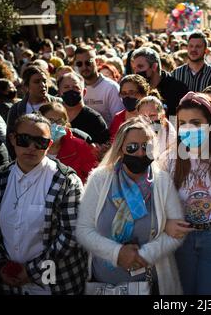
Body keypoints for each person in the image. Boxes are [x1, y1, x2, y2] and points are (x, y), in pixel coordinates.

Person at [0, 113, 87, 295]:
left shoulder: (66, 181)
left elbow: (71, 235)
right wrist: (1, 266)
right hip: (9, 285)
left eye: (40, 142)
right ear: (12, 139)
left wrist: (31, 271)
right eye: (24, 140)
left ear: (49, 145)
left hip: (56, 284)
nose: (31, 147)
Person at [76, 116, 184, 295]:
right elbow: (83, 229)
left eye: (146, 147)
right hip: (103, 283)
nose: (140, 153)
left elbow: (176, 233)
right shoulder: (99, 179)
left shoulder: (162, 181)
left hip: (149, 284)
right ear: (120, 149)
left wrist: (143, 255)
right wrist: (117, 253)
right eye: (132, 147)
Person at [159, 92, 211, 295]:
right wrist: (166, 222)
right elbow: (157, 200)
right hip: (180, 239)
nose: (189, 129)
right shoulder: (169, 158)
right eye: (183, 123)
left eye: (196, 122)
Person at [6, 65, 63, 153]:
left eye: (44, 81)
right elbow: (10, 140)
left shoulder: (59, 104)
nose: (43, 85)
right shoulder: (17, 109)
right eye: (37, 82)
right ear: (26, 86)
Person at [39, 102, 98, 183]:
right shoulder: (31, 146)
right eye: (50, 120)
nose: (55, 125)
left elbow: (93, 177)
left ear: (66, 123)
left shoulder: (80, 146)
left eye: (60, 121)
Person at [131, 47, 189, 117]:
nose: (136, 72)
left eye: (140, 66)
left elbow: (177, 120)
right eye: (134, 68)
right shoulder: (136, 89)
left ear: (154, 66)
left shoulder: (177, 89)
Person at [74, 46, 124, 125]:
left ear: (96, 61)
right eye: (79, 64)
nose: (84, 67)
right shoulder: (75, 88)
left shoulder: (111, 87)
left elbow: (119, 120)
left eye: (88, 62)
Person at [58, 72, 110, 145]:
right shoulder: (52, 115)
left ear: (84, 92)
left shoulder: (94, 119)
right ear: (59, 91)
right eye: (66, 87)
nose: (71, 90)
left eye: (76, 87)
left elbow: (104, 147)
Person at [109, 75, 151, 141]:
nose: (127, 97)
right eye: (124, 93)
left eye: (132, 93)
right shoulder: (118, 117)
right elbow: (112, 143)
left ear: (143, 94)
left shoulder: (154, 116)